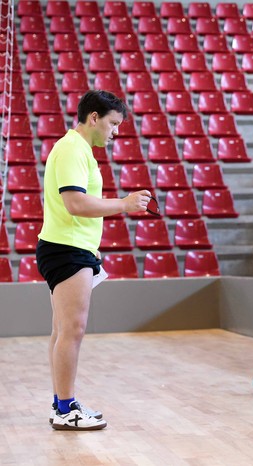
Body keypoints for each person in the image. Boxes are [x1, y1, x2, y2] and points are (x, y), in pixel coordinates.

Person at [37, 90, 152, 430]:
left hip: (68, 247)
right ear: (93, 118)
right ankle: (65, 409)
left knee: (62, 331)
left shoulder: (75, 148)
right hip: (67, 249)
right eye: (113, 124)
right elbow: (75, 203)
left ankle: (63, 402)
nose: (115, 132)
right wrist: (124, 204)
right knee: (72, 330)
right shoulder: (73, 149)